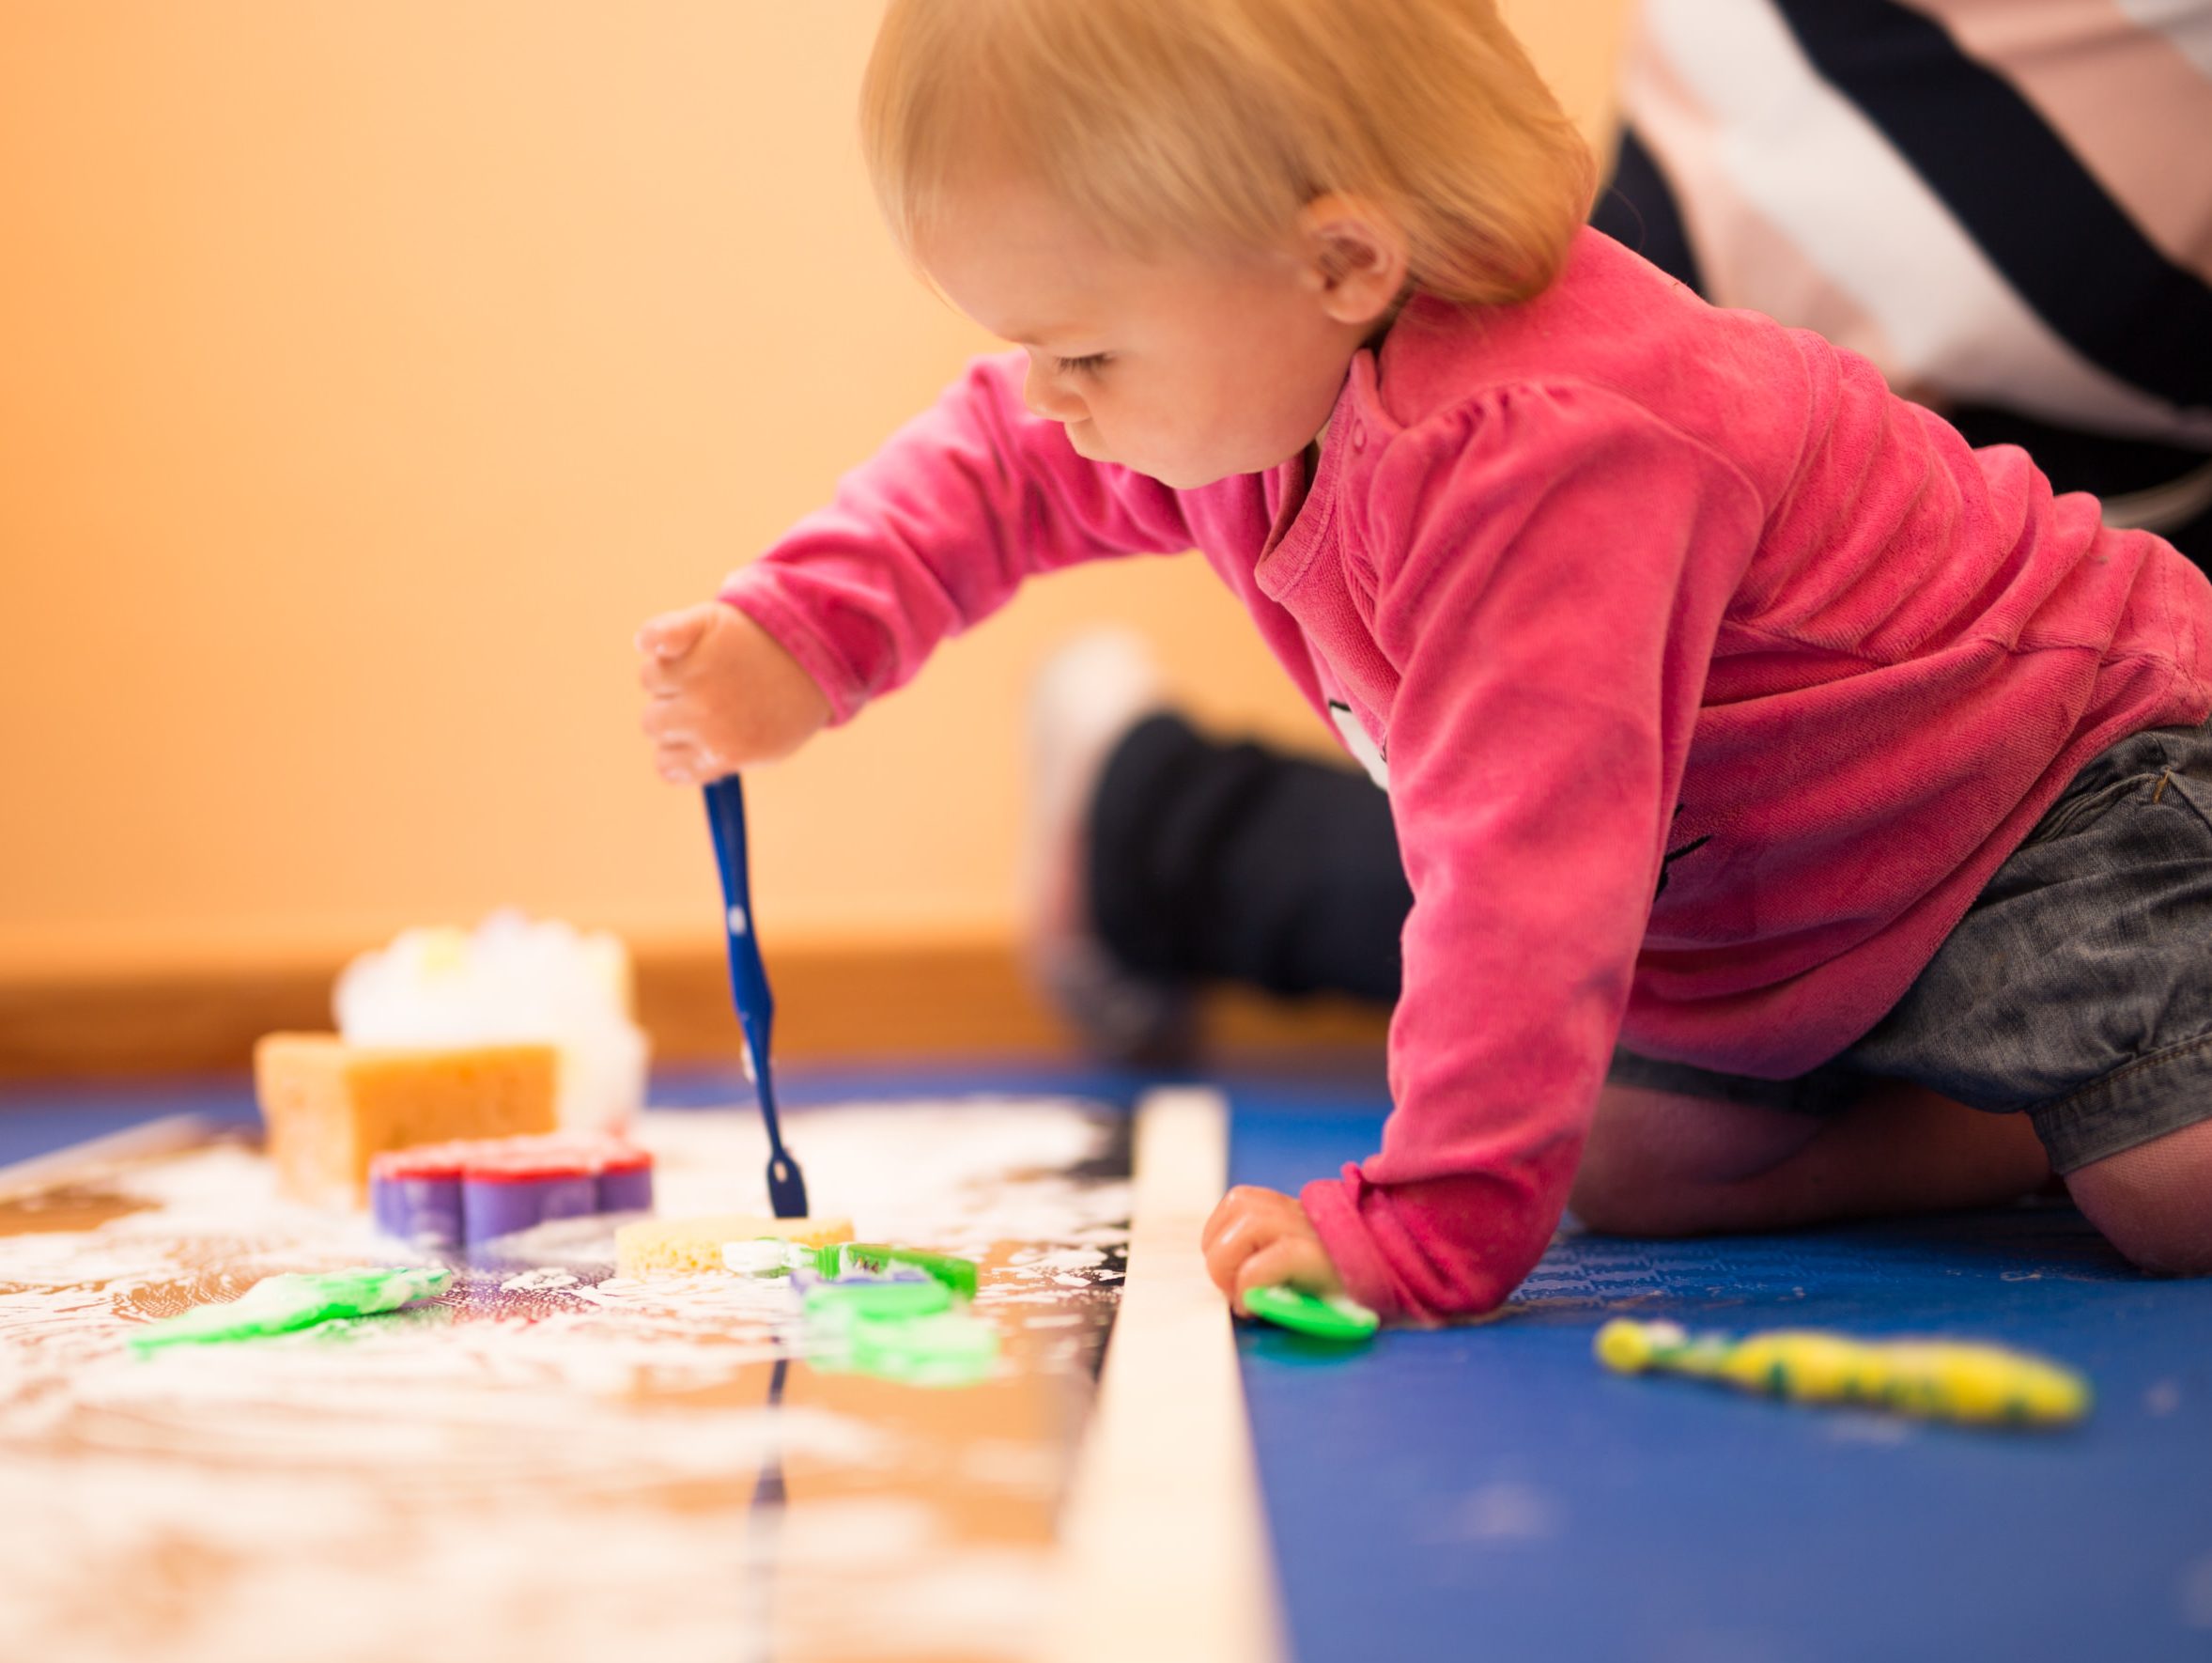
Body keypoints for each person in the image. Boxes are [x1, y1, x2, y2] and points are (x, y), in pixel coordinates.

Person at [635, 0, 2212, 1324]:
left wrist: (1424, 1227)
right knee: (1628, 1164)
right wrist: (802, 630)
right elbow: (1000, 460)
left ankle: (2094, 1112)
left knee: (2178, 1190)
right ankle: (2009, 1123)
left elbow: (1524, 881)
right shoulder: (1253, 378)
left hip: (2054, 776)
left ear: (1341, 265)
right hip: (1805, 888)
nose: (1051, 397)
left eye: (1086, 352)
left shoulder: (1543, 463)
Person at [1044, 0, 2212, 1064]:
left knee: (1595, 830)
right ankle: (1158, 829)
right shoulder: (1525, 428)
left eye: (1084, 353)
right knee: (1591, 830)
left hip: (1911, 463)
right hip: (1867, 373)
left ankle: (1157, 828)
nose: (1054, 390)